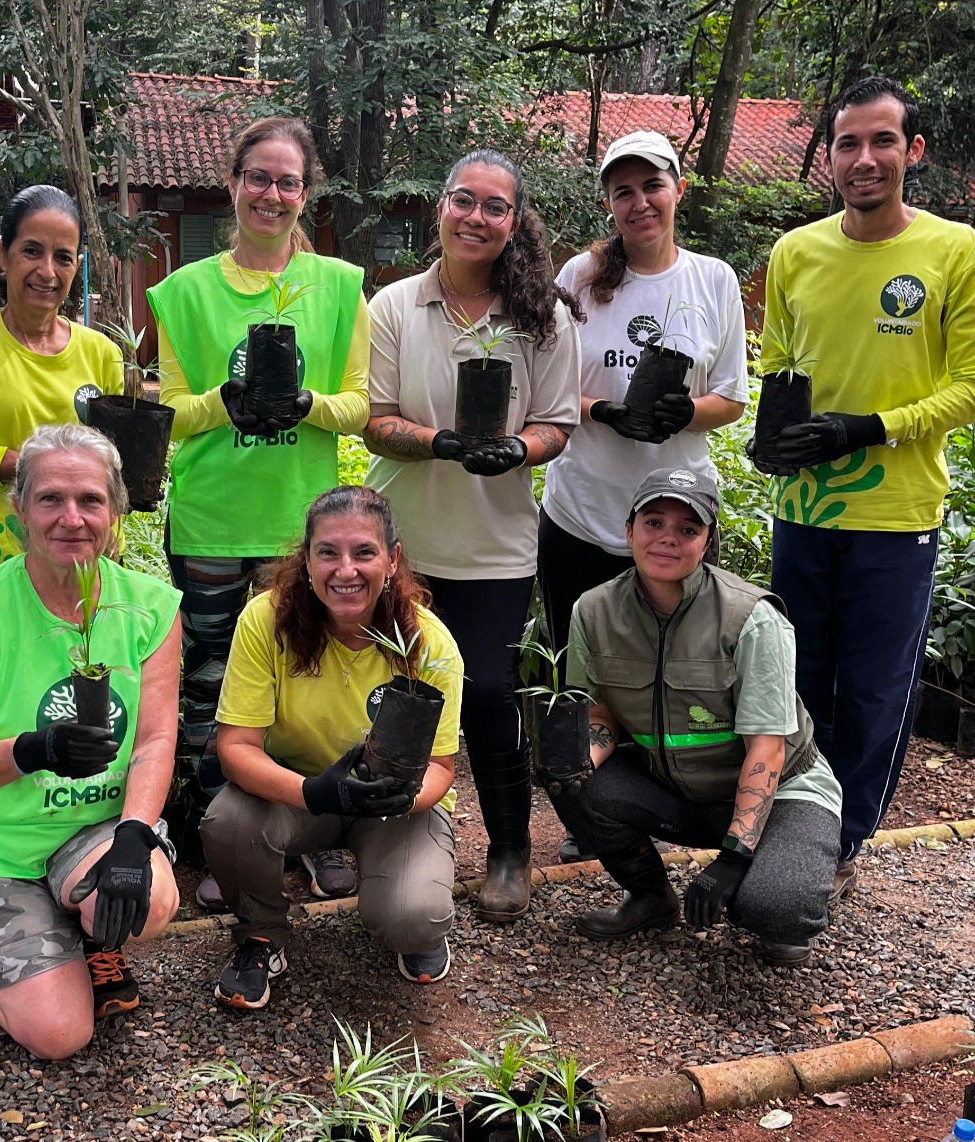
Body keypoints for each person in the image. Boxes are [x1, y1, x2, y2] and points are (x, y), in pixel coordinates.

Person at [757, 77, 975, 899]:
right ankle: (794, 821)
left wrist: (870, 428)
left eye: (882, 141)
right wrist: (772, 437)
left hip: (896, 516)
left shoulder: (956, 253)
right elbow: (778, 365)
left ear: (913, 151)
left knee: (873, 691)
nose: (864, 159)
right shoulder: (796, 253)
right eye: (848, 144)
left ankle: (842, 841)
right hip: (804, 509)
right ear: (829, 157)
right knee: (796, 682)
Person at [146, 117, 369, 908]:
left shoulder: (338, 286)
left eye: (288, 182)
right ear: (233, 184)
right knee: (210, 689)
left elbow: (358, 404)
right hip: (210, 520)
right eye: (258, 178)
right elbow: (170, 412)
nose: (272, 195)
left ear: (306, 194)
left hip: (299, 529)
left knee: (308, 681)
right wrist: (223, 401)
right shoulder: (182, 292)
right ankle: (226, 841)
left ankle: (319, 832)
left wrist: (307, 404)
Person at [362, 149, 581, 922]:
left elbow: (558, 424)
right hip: (403, 545)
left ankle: (510, 848)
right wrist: (441, 443)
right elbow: (375, 421)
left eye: (495, 206)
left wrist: (518, 448)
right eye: (465, 200)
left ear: (514, 222)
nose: (477, 217)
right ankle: (382, 838)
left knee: (488, 692)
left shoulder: (543, 317)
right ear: (441, 207)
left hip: (495, 547)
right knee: (395, 689)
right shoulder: (395, 305)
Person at [0, 424, 182, 1058]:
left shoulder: (149, 608)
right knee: (60, 1035)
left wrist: (134, 836)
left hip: (92, 828)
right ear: (20, 509)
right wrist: (33, 751)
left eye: (90, 500)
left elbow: (154, 739)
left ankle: (76, 930)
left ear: (116, 511)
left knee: (149, 900)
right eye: (50, 499)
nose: (72, 518)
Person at [546, 468, 844, 965]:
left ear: (707, 542)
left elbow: (767, 747)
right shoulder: (593, 611)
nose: (667, 538)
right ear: (629, 531)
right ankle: (650, 897)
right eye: (653, 522)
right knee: (572, 778)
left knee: (775, 909)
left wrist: (734, 857)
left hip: (781, 789)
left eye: (687, 529)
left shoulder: (751, 617)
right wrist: (575, 768)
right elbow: (600, 712)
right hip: (678, 789)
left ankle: (778, 889)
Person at [201, 486, 463, 1008]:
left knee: (412, 917)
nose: (346, 570)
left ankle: (413, 927)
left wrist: (401, 798)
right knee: (228, 819)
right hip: (303, 793)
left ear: (392, 559)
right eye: (328, 552)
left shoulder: (427, 642)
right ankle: (261, 933)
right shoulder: (265, 620)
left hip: (395, 806)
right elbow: (236, 747)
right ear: (307, 559)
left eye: (364, 552)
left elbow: (440, 765)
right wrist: (315, 792)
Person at [540, 130, 747, 653]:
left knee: (679, 671)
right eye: (623, 192)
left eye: (652, 185)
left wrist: (687, 412)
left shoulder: (714, 280)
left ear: (679, 189)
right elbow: (549, 387)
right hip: (581, 514)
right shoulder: (580, 276)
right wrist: (602, 410)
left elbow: (731, 398)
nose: (640, 203)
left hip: (678, 523)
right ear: (608, 205)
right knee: (577, 668)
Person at [0, 185, 124, 585]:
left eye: (62, 257)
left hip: (82, 563)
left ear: (77, 265)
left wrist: (112, 535)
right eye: (32, 251)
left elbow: (116, 467)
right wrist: (57, 472)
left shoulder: (102, 353)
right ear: (2, 253)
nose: (47, 272)